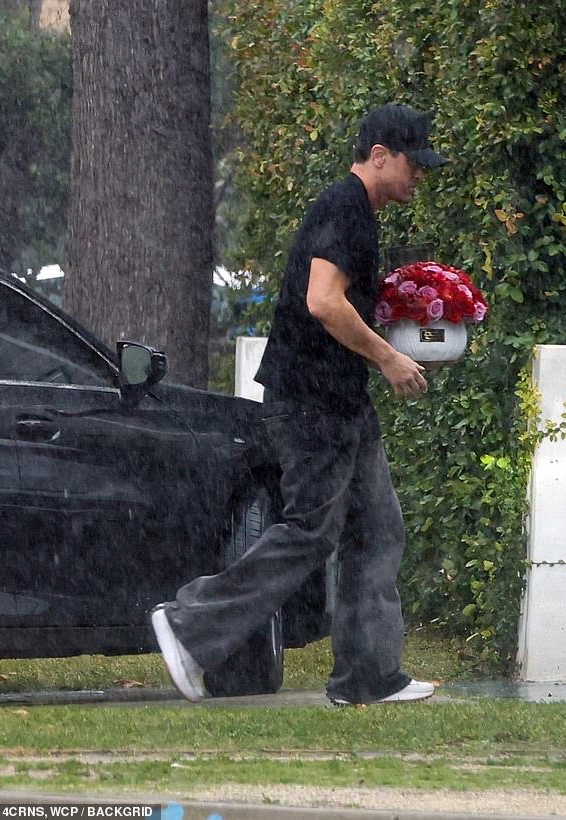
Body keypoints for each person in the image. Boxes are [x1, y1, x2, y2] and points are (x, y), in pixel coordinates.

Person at [152, 103, 449, 705]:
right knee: (312, 530)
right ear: (380, 156)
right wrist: (388, 357)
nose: (420, 174)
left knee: (377, 529)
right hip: (312, 401)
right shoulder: (343, 205)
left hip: (339, 401)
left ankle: (367, 677)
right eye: (414, 163)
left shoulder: (360, 214)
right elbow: (322, 302)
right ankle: (189, 625)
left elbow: (341, 304)